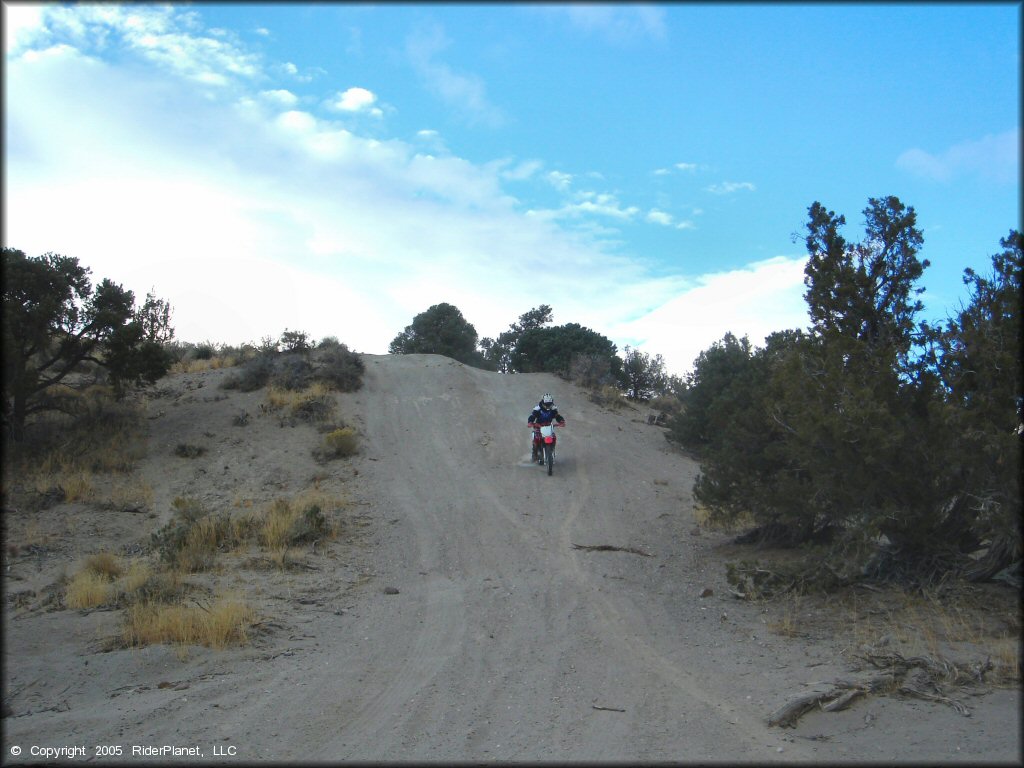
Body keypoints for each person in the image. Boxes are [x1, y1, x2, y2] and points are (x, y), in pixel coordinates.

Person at [528, 393, 566, 464]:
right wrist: (530, 422)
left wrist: (561, 421)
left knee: (553, 437)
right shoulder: (538, 409)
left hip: (549, 426)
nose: (548, 405)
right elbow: (532, 416)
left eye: (549, 404)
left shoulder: (553, 408)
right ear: (543, 402)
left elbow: (557, 416)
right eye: (547, 404)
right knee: (536, 439)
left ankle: (552, 450)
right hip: (539, 426)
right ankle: (535, 455)